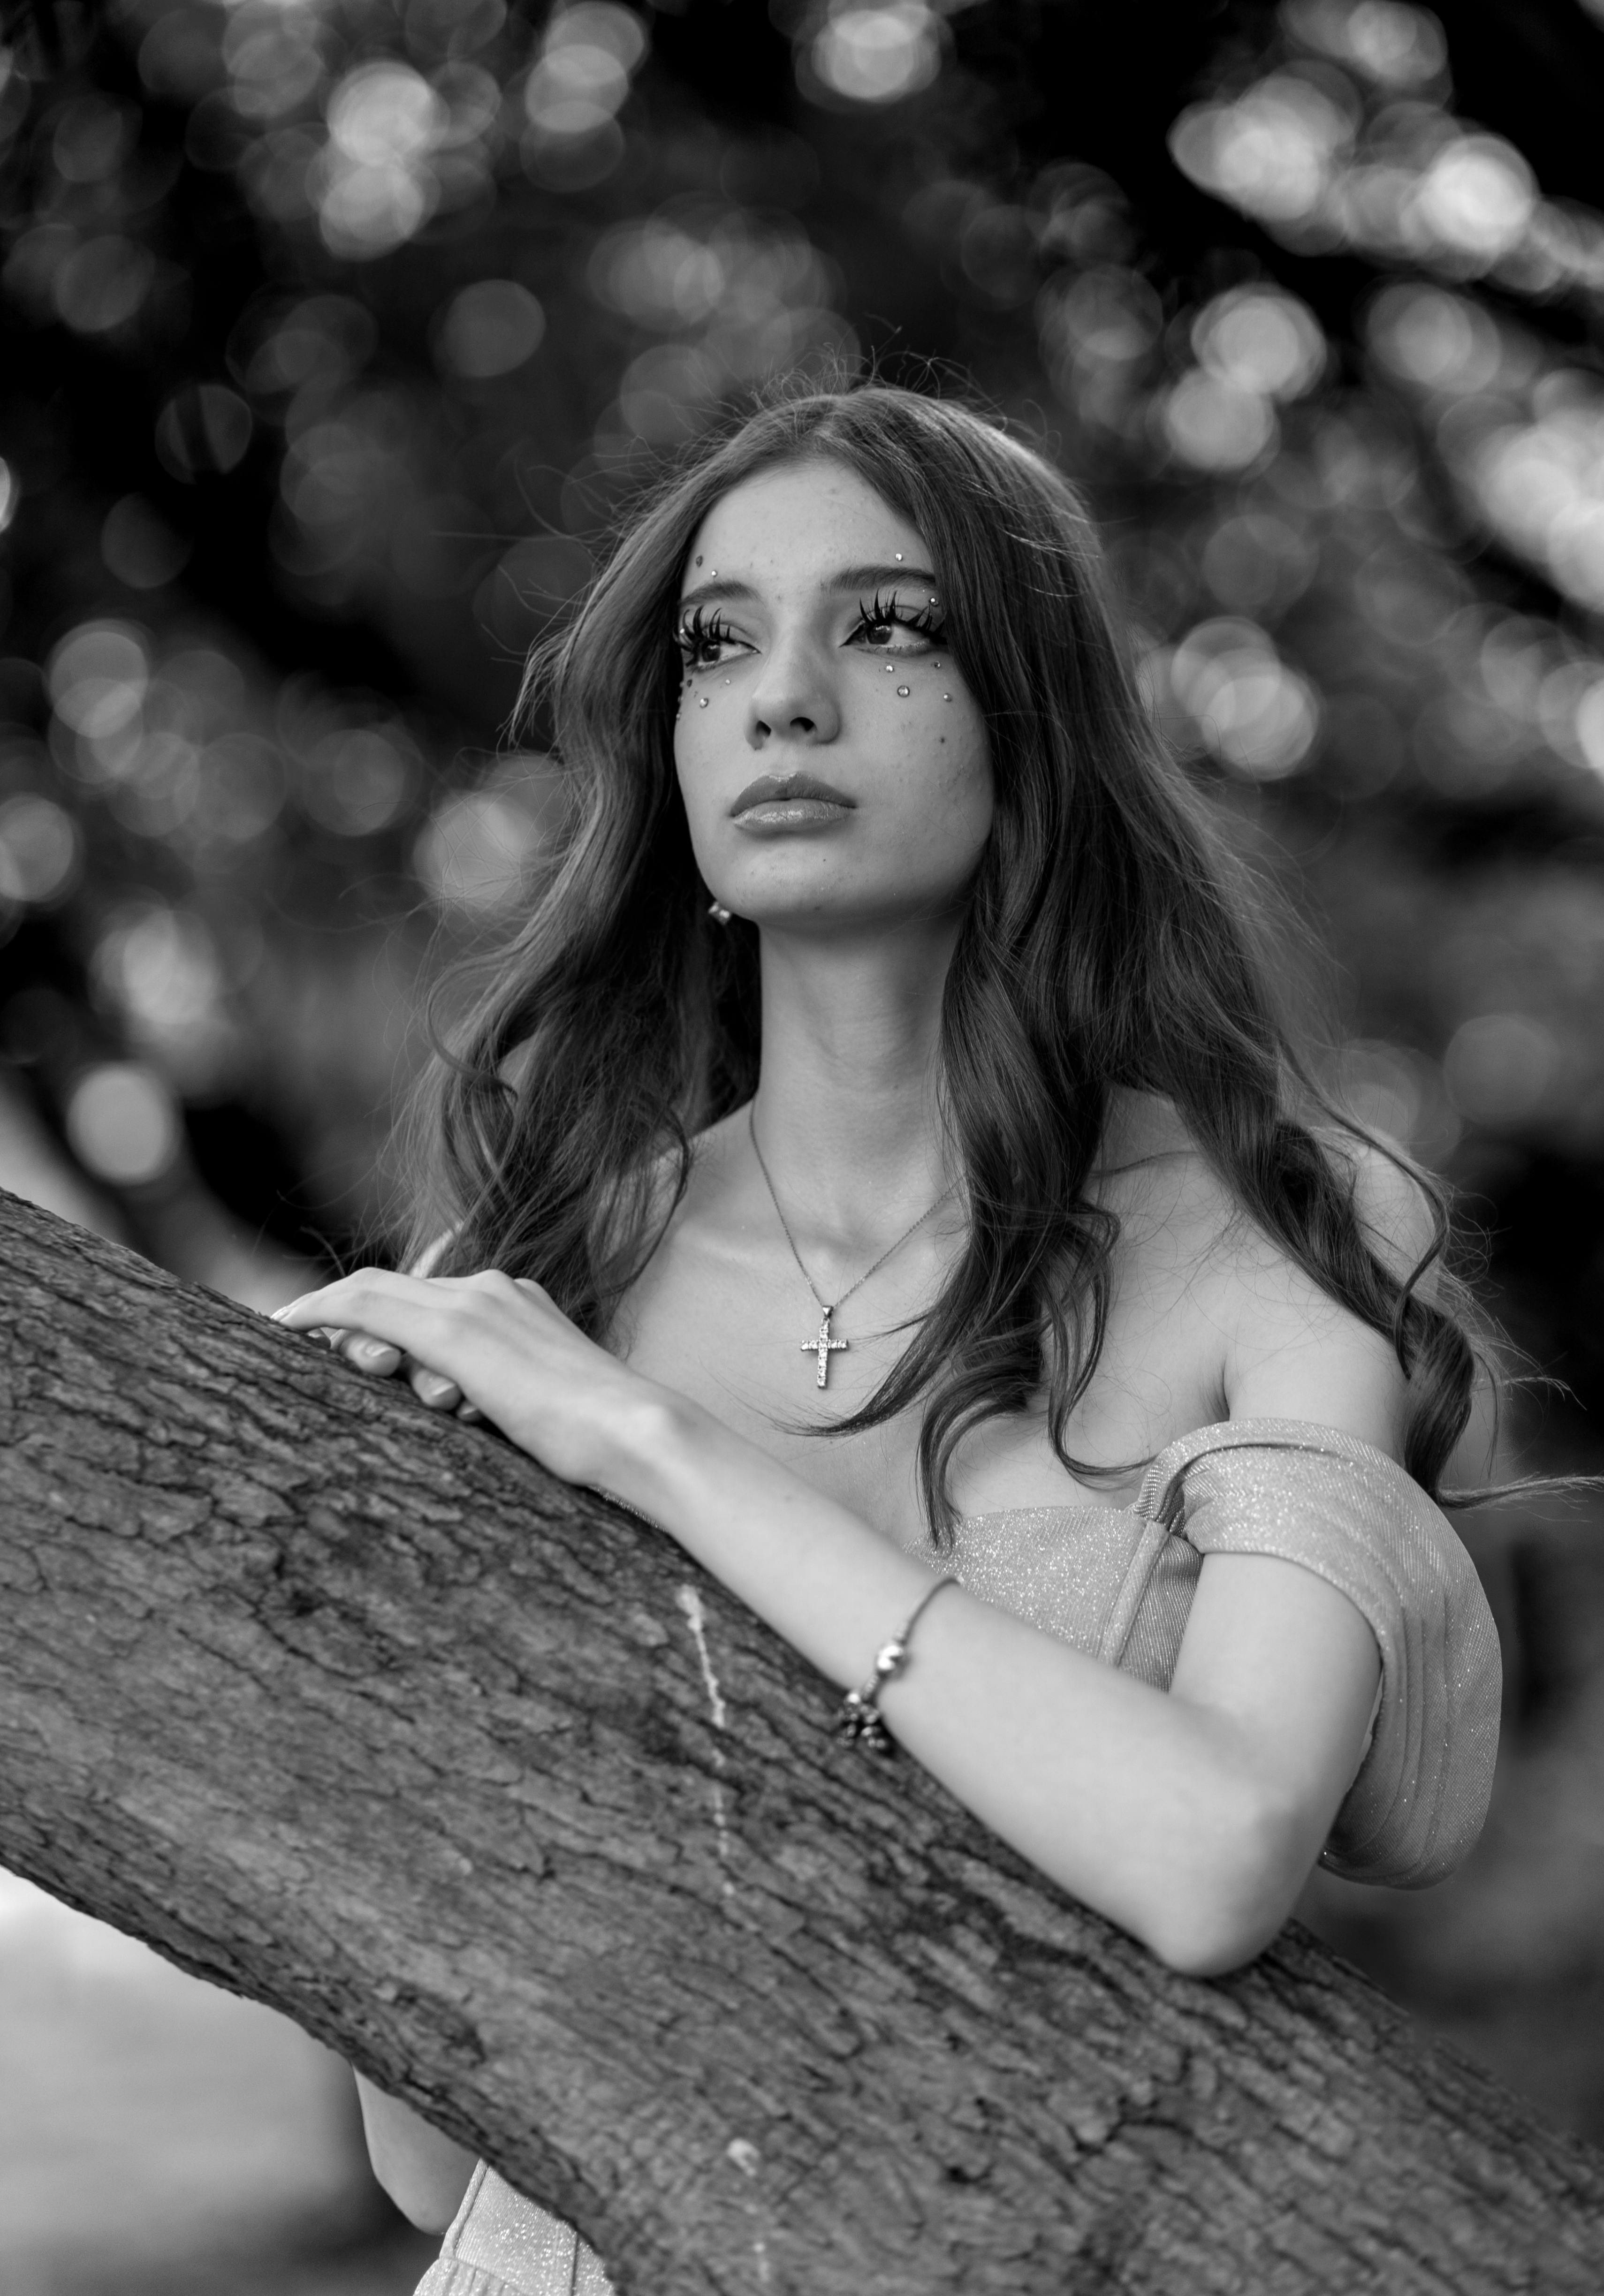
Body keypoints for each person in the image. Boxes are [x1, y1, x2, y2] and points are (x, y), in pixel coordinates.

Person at [273, 383, 1502, 2296]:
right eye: (719, 641)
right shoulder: (542, 1279)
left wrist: (662, 1455)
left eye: (892, 625)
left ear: (1036, 717)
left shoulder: (1264, 1282)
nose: (785, 698)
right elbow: (434, 2156)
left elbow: (1216, 1856)